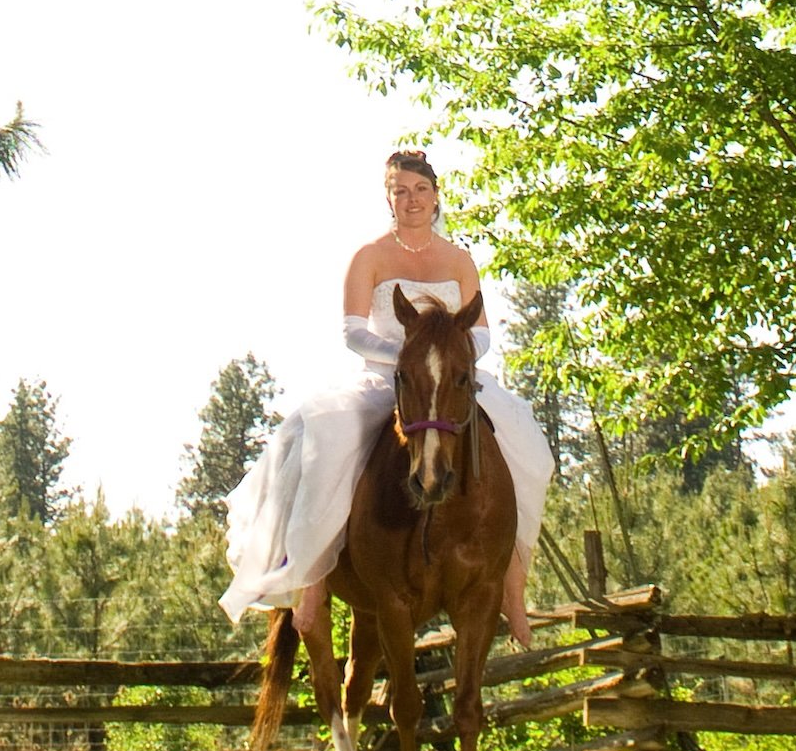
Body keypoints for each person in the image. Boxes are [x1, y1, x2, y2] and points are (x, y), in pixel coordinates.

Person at [220, 148, 555, 648]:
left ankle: (511, 585)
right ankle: (311, 578)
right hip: (386, 378)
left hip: (450, 380)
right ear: (389, 198)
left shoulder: (458, 259)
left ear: (436, 196)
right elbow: (353, 331)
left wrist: (449, 354)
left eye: (420, 190)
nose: (411, 200)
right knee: (327, 440)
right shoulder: (370, 256)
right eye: (400, 191)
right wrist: (407, 354)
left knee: (529, 448)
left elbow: (480, 333)